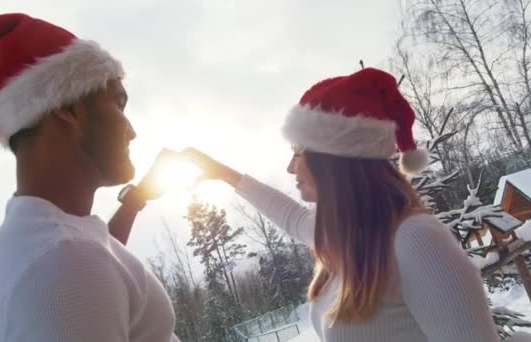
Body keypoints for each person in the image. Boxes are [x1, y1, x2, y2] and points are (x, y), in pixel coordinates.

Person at [184, 67, 500, 341]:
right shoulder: (350, 239)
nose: (291, 168)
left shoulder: (415, 239)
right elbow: (291, 217)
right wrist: (223, 174)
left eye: (297, 151)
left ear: (332, 158)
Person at [0, 13, 179, 341]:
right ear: (67, 108)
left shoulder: (41, 239)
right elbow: (80, 264)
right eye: (118, 104)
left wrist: (135, 201)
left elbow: (99, 254)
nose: (131, 130)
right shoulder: (64, 264)